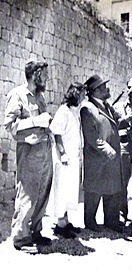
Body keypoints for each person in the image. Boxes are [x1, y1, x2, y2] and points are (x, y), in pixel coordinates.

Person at [4, 59, 53, 253]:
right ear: (36, 75)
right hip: (29, 151)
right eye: (45, 76)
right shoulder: (17, 95)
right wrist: (36, 120)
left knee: (42, 191)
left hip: (45, 149)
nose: (47, 79)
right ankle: (21, 236)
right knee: (27, 193)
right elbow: (9, 125)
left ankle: (35, 230)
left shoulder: (39, 96)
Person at [80, 74, 122, 232]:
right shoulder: (87, 108)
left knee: (111, 188)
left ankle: (112, 222)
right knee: (94, 190)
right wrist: (106, 148)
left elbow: (113, 124)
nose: (107, 89)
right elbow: (91, 136)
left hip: (110, 157)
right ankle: (90, 222)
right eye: (103, 87)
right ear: (95, 91)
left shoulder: (107, 106)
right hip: (97, 157)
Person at [49, 83, 86, 238]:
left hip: (73, 158)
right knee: (61, 190)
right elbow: (57, 133)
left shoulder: (74, 111)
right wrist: (62, 153)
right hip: (63, 158)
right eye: (82, 93)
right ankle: (60, 224)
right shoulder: (63, 111)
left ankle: (66, 220)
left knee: (70, 190)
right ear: (75, 94)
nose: (84, 96)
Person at [113, 74, 132, 224]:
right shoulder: (118, 107)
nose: (130, 91)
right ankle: (122, 214)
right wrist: (126, 121)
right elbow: (113, 126)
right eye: (128, 87)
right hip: (124, 146)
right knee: (122, 181)